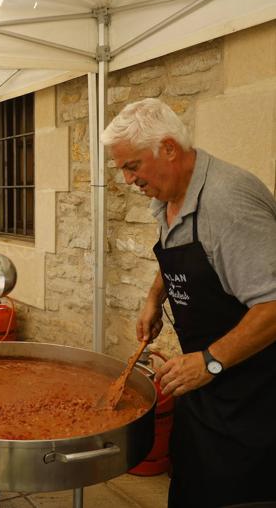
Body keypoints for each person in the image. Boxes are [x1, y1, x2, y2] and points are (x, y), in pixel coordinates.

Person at [101, 98, 276, 507]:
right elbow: (182, 252)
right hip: (207, 391)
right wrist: (153, 296)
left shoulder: (228, 203)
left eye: (132, 166)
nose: (128, 180)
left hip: (255, 399)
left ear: (168, 148)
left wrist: (210, 361)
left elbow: (273, 304)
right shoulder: (168, 197)